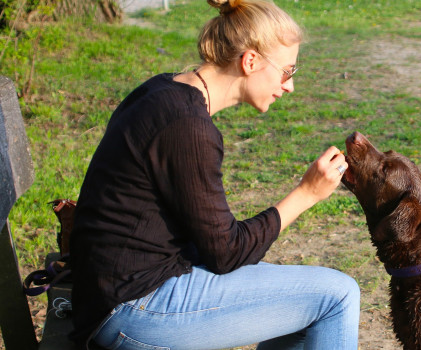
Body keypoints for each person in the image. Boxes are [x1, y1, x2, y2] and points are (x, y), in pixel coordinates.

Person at [69, 0, 360, 349]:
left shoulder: (164, 91)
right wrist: (307, 193)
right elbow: (225, 254)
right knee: (338, 296)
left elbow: (212, 243)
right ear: (250, 61)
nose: (289, 86)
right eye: (287, 71)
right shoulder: (188, 127)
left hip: (115, 293)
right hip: (132, 308)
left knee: (303, 298)